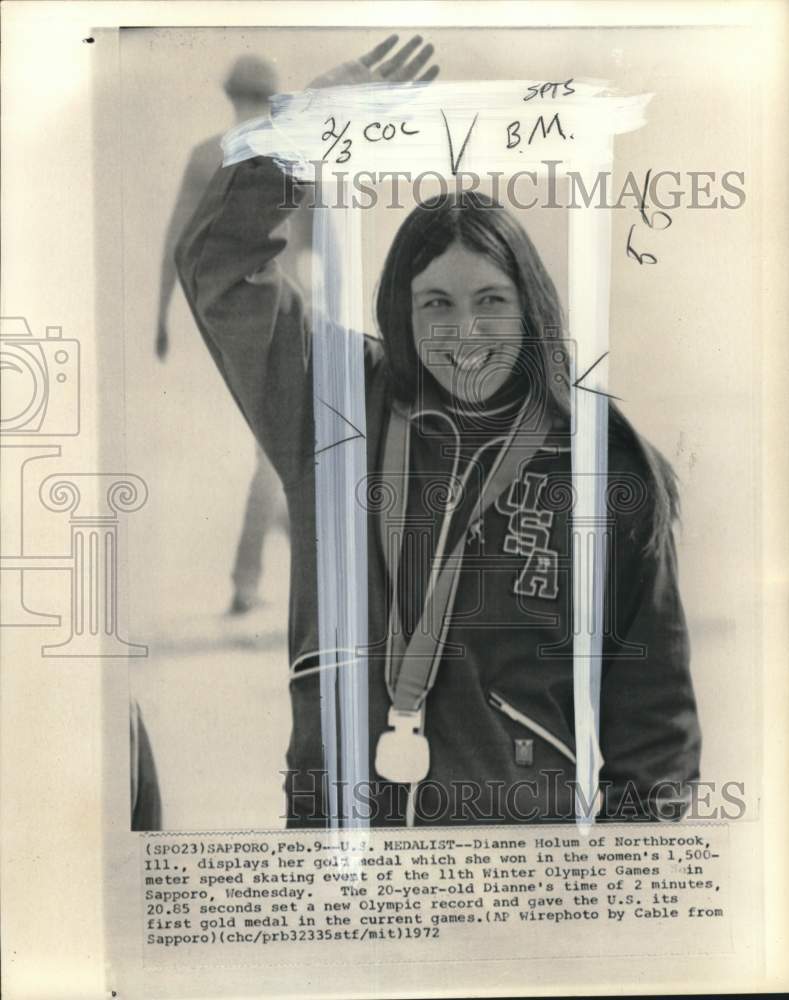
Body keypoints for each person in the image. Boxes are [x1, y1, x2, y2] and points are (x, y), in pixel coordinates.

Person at [175, 36, 701, 827]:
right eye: (436, 304)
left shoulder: (601, 461)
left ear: (532, 307)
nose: (464, 334)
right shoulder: (335, 406)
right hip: (342, 850)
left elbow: (654, 730)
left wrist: (609, 903)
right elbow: (219, 264)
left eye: (490, 301)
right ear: (400, 307)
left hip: (518, 876)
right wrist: (300, 131)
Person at [155, 54, 292, 616]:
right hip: (278, 317)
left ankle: (259, 558)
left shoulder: (205, 155)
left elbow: (176, 241)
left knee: (275, 449)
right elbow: (312, 249)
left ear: (230, 94)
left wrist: (160, 315)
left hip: (234, 318)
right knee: (275, 450)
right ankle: (248, 576)